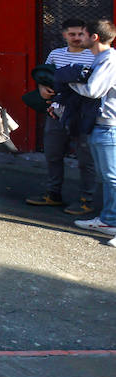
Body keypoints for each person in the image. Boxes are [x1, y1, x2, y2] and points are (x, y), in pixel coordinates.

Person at [29, 17, 98, 213]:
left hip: (83, 114)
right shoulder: (56, 54)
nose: (76, 38)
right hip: (56, 113)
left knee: (86, 160)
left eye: (80, 34)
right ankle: (53, 194)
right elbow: (43, 76)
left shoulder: (94, 55)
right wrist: (42, 88)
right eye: (72, 34)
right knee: (53, 154)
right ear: (64, 35)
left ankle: (87, 200)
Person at [67, 19, 116, 242]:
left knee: (112, 178)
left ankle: (112, 222)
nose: (80, 39)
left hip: (109, 128)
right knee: (107, 177)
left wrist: (67, 83)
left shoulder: (109, 60)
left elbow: (94, 90)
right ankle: (108, 219)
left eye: (84, 35)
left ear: (94, 37)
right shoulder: (101, 59)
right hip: (102, 126)